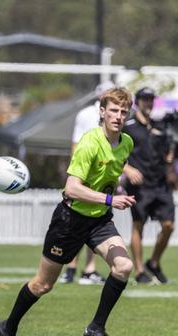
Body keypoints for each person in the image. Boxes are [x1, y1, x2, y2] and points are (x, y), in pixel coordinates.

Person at [0, 88, 136, 336]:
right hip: (69, 221)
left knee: (124, 266)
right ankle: (7, 329)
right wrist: (110, 198)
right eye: (113, 110)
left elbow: (110, 172)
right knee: (42, 285)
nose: (118, 116)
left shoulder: (127, 143)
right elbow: (72, 188)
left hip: (99, 220)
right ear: (102, 112)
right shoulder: (89, 143)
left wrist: (116, 189)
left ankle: (96, 328)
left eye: (123, 111)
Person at [59, 81, 114, 285]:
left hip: (102, 176)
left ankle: (89, 269)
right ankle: (71, 267)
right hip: (84, 173)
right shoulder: (85, 115)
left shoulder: (116, 117)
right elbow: (76, 143)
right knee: (78, 220)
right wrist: (77, 173)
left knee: (96, 221)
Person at [122, 87, 175, 284]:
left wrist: (170, 164)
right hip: (140, 186)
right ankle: (139, 270)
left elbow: (166, 153)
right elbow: (114, 150)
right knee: (138, 226)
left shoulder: (159, 126)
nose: (148, 102)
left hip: (160, 184)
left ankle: (154, 262)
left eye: (151, 99)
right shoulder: (128, 126)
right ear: (137, 102)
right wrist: (126, 169)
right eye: (145, 99)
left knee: (169, 226)